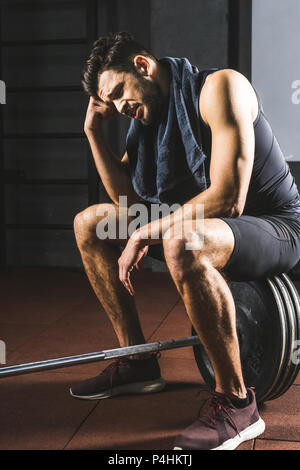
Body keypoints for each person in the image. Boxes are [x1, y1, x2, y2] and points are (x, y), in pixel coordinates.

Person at [70, 32, 300, 450]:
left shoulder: (220, 88)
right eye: (111, 102)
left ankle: (237, 404)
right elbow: (130, 202)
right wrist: (93, 133)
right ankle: (138, 361)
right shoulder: (145, 122)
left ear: (142, 65)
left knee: (182, 241)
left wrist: (146, 230)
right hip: (207, 225)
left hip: (274, 226)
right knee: (91, 223)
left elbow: (230, 197)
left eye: (120, 91)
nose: (119, 107)